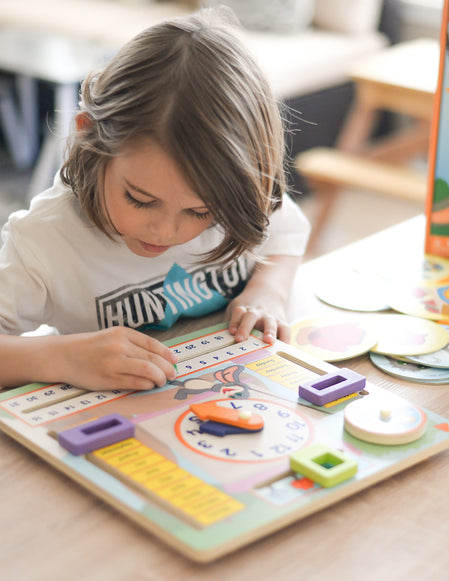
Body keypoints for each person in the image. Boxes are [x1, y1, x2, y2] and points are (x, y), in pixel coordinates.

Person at [0, 9, 310, 392]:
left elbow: (285, 235)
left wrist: (268, 290)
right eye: (140, 200)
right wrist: (60, 356)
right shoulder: (43, 240)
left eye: (200, 211)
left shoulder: (235, 196)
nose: (166, 230)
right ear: (88, 138)